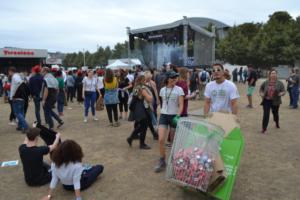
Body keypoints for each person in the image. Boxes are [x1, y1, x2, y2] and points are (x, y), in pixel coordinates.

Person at [154, 71, 184, 173]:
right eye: (172, 78)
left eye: (176, 78)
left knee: (174, 142)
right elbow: (164, 103)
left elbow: (181, 105)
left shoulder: (179, 90)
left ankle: (175, 162)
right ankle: (162, 160)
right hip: (163, 116)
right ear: (167, 79)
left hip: (174, 117)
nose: (174, 80)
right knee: (161, 139)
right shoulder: (162, 90)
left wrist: (178, 116)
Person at [127, 75, 153, 149]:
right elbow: (149, 99)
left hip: (136, 108)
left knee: (142, 125)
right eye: (144, 80)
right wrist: (151, 97)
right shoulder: (142, 88)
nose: (145, 81)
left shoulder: (136, 87)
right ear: (142, 80)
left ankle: (131, 138)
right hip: (141, 108)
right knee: (144, 126)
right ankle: (142, 144)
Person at [259, 69, 285, 133]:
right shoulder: (266, 82)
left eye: (274, 73)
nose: (273, 75)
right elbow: (261, 89)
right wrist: (261, 94)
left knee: (275, 113)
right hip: (266, 100)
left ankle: (276, 122)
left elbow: (283, 91)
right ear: (270, 75)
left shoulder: (280, 83)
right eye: (272, 73)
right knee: (266, 114)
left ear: (276, 75)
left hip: (275, 101)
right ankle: (264, 128)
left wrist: (281, 93)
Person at [8, 66, 30, 133]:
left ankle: (25, 126)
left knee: (17, 113)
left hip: (17, 97)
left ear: (10, 71)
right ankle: (20, 126)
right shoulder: (19, 76)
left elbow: (20, 83)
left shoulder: (15, 76)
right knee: (21, 113)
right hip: (22, 97)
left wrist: (14, 95)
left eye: (9, 72)